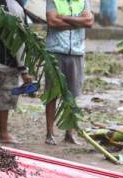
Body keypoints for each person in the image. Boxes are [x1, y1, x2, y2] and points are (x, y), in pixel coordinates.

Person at [0, 0, 32, 144]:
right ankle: (3, 133)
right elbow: (18, 42)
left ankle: (2, 131)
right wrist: (24, 70)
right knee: (5, 95)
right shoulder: (14, 8)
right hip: (5, 60)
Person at [44, 0, 93, 145]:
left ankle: (69, 133)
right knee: (52, 94)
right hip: (55, 51)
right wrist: (79, 22)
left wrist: (64, 18)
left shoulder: (83, 1)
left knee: (72, 95)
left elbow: (89, 22)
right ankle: (49, 133)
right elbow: (52, 22)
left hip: (77, 52)